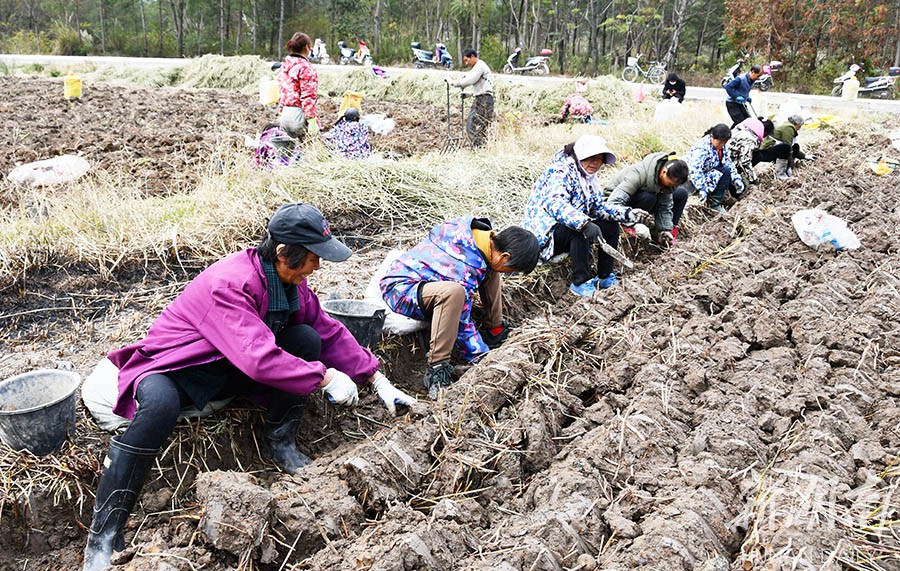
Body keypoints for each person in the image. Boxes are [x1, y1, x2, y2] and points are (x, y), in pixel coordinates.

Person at [82, 203, 413, 571]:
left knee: (304, 337)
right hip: (180, 367)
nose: (317, 266)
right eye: (313, 258)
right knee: (159, 405)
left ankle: (281, 441)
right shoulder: (232, 283)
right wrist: (325, 377)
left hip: (226, 367)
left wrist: (376, 377)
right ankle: (105, 536)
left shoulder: (288, 282)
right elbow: (258, 358)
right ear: (285, 253)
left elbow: (326, 329)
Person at [380, 218, 539, 399]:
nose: (509, 273)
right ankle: (437, 367)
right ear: (506, 256)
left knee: (490, 269)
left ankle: (495, 329)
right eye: (511, 269)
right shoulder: (464, 268)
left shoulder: (479, 237)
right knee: (454, 293)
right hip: (400, 290)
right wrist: (482, 357)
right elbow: (462, 323)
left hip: (420, 278)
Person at [522, 134, 650, 297]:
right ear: (579, 155)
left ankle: (604, 276)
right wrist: (584, 223)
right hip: (546, 235)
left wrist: (627, 214)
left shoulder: (588, 178)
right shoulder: (560, 172)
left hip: (567, 229)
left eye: (599, 159)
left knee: (610, 226)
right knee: (579, 230)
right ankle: (580, 282)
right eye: (591, 158)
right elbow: (555, 204)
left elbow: (598, 207)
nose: (595, 163)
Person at [603, 152, 689, 248]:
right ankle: (628, 226)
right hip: (616, 202)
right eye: (671, 183)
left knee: (681, 193)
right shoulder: (638, 174)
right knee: (649, 198)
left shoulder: (666, 183)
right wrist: (632, 223)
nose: (672, 186)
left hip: (640, 201)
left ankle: (661, 237)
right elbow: (613, 203)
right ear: (664, 172)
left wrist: (665, 229)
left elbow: (665, 206)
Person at [683, 124, 745, 213]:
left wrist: (736, 178)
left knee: (726, 170)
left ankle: (715, 203)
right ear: (712, 136)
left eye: (724, 142)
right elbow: (694, 169)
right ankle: (704, 195)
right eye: (720, 142)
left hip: (708, 173)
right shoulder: (702, 148)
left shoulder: (722, 147)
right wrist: (701, 188)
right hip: (691, 179)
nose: (722, 145)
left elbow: (728, 162)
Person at [277, 32, 319, 140]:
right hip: (298, 116)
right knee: (306, 150)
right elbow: (308, 96)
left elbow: (282, 90)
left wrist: (281, 111)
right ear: (306, 47)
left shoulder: (285, 65)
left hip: (285, 116)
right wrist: (312, 121)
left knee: (288, 152)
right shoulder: (306, 68)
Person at [452, 49, 494, 147]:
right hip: (485, 99)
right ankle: (482, 148)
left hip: (483, 100)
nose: (466, 63)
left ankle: (478, 148)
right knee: (482, 126)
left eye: (467, 60)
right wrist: (469, 94)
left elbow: (471, 80)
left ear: (472, 56)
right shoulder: (478, 67)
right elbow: (480, 84)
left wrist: (455, 83)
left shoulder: (480, 66)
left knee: (472, 125)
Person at [726, 116, 775, 187]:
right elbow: (744, 161)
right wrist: (754, 180)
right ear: (765, 132)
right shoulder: (750, 139)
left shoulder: (741, 128)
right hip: (729, 165)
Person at [759, 114, 807, 180]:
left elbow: (792, 147)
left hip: (772, 147)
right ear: (797, 124)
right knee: (786, 149)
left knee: (795, 147)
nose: (800, 127)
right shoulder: (789, 128)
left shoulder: (787, 125)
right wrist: (789, 167)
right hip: (768, 149)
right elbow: (788, 148)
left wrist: (804, 156)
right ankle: (781, 174)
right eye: (800, 125)